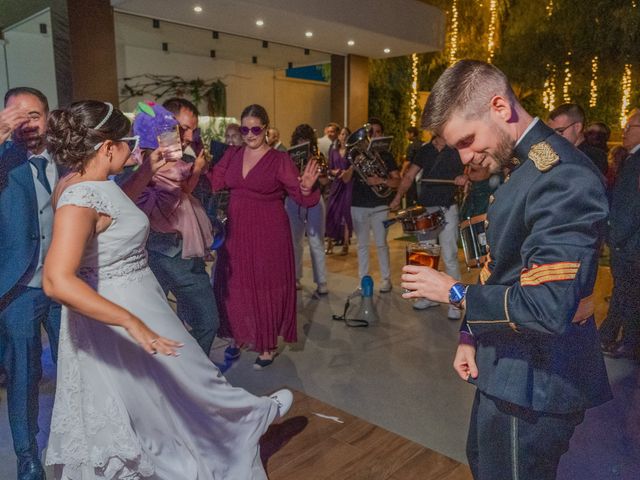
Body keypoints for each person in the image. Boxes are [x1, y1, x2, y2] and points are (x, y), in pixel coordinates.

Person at [42, 100, 293, 479]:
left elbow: (111, 212)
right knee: (187, 378)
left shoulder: (92, 185)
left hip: (138, 301)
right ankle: (249, 419)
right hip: (122, 309)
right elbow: (56, 280)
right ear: (107, 148)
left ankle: (236, 424)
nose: (134, 146)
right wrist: (131, 322)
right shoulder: (78, 199)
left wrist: (145, 171)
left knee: (160, 393)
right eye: (129, 141)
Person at [402, 60, 611, 479]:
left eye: (467, 139)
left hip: (536, 381)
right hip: (508, 365)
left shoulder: (563, 175)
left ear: (500, 107)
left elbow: (548, 305)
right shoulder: (527, 162)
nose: (465, 156)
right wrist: (470, 333)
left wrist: (455, 293)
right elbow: (503, 266)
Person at [208, 104, 320, 369]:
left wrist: (306, 185)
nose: (249, 134)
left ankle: (266, 346)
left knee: (264, 286)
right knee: (235, 284)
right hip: (236, 231)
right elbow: (214, 182)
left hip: (269, 233)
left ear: (266, 130)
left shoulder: (280, 160)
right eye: (244, 129)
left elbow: (301, 196)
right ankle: (238, 335)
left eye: (255, 129)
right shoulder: (233, 154)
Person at [120, 102, 219, 356]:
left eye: (192, 131)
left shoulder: (187, 156)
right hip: (152, 258)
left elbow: (196, 196)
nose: (188, 137)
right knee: (157, 332)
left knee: (206, 323)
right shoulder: (133, 162)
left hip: (188, 256)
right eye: (182, 129)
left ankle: (193, 376)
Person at [0, 88, 61, 480]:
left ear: (48, 116)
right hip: (18, 289)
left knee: (78, 367)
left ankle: (81, 440)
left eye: (34, 115)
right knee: (23, 376)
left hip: (65, 286)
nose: (27, 125)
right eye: (17, 117)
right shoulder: (4, 161)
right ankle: (27, 456)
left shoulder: (66, 157)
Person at [390, 133, 467, 319]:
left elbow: (472, 168)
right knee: (425, 256)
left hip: (448, 206)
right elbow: (409, 176)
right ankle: (427, 296)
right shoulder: (424, 150)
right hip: (425, 209)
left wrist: (464, 177)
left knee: (449, 255)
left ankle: (455, 302)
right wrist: (397, 197)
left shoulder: (456, 148)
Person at [599, 109, 640, 361]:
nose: (624, 132)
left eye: (630, 128)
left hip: (630, 243)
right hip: (627, 241)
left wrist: (617, 236)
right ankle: (614, 336)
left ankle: (629, 342)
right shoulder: (631, 159)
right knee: (624, 292)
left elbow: (633, 206)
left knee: (630, 294)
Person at [344, 118, 400, 293]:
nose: (373, 136)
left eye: (377, 133)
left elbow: (397, 181)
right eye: (370, 133)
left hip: (379, 205)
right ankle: (363, 280)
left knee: (381, 243)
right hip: (358, 204)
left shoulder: (386, 156)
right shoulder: (354, 155)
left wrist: (380, 180)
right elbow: (345, 179)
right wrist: (355, 165)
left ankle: (386, 279)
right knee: (361, 245)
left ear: (381, 135)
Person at [285, 124, 329, 295]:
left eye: (306, 140)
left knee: (316, 242)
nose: (302, 142)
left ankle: (322, 281)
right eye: (299, 140)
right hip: (294, 201)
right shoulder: (289, 157)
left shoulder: (318, 157)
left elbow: (325, 182)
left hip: (315, 200)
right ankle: (295, 278)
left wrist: (320, 172)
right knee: (294, 242)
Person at [548, 103, 608, 176]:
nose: (554, 137)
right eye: (551, 132)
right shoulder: (555, 152)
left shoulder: (594, 156)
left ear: (577, 127)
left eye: (560, 131)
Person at [325, 127, 353, 255]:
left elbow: (354, 169)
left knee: (346, 213)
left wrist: (346, 173)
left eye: (346, 134)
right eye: (342, 134)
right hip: (336, 184)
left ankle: (346, 244)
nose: (343, 136)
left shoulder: (352, 151)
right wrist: (335, 171)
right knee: (331, 211)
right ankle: (330, 242)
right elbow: (329, 168)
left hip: (348, 185)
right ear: (339, 136)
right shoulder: (333, 150)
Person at [400, 126, 422, 207]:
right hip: (422, 173)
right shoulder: (423, 144)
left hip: (413, 173)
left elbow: (408, 160)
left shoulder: (412, 146)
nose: (406, 136)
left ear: (412, 134)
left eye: (407, 134)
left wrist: (402, 171)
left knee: (411, 195)